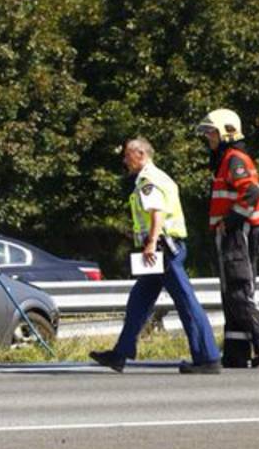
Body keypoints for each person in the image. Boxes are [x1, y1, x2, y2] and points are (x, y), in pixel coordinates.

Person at [89, 139, 222, 374]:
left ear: (140, 154)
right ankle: (120, 353)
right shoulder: (158, 176)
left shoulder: (148, 179)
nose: (124, 160)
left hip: (162, 249)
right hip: (160, 250)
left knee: (186, 303)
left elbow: (157, 213)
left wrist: (150, 243)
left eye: (127, 155)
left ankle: (208, 358)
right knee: (138, 301)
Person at [199, 109, 259, 367]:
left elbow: (251, 191)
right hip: (231, 233)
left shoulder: (235, 158)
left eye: (211, 132)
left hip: (238, 232)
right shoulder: (225, 159)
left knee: (238, 291)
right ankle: (236, 352)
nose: (208, 137)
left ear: (226, 132)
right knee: (229, 292)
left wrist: (230, 221)